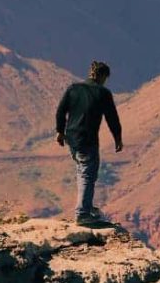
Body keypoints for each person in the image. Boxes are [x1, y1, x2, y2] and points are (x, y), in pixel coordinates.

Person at [55, 61, 123, 225]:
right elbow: (112, 118)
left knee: (84, 172)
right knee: (87, 174)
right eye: (105, 78)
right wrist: (118, 138)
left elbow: (61, 110)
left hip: (72, 138)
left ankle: (86, 206)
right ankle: (83, 213)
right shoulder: (103, 93)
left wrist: (60, 131)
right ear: (102, 76)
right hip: (88, 139)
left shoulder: (73, 88)